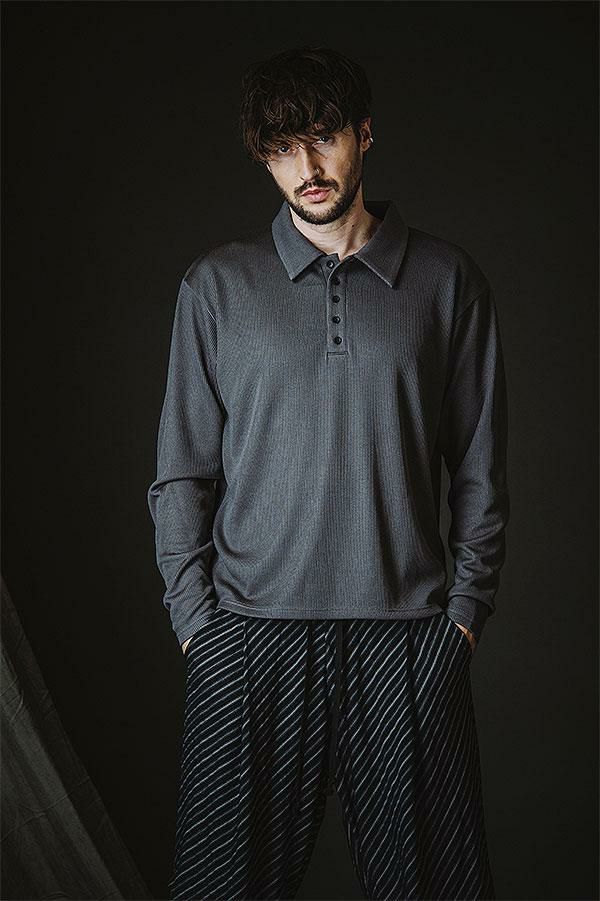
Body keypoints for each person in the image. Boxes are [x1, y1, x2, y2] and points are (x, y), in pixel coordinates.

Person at [147, 44, 509, 901]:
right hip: (249, 636)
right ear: (263, 158)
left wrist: (462, 615)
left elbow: (481, 470)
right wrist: (198, 625)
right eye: (282, 148)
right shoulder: (217, 288)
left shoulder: (447, 283)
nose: (306, 167)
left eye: (323, 136)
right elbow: (181, 474)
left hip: (407, 635)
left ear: (364, 134)